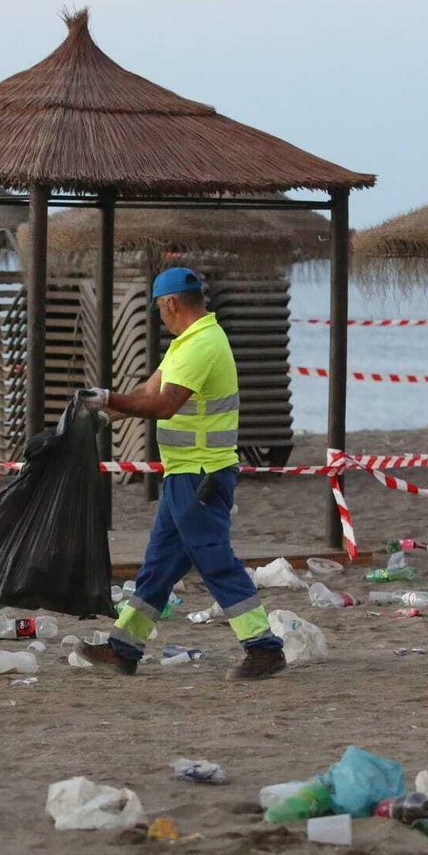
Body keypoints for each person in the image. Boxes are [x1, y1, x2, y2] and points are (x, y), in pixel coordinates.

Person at [76, 267, 286, 681]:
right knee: (158, 564)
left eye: (158, 307)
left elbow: (164, 405)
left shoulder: (201, 345)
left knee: (214, 560)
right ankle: (124, 649)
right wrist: (101, 415)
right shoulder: (187, 343)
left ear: (171, 302)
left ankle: (264, 648)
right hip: (184, 474)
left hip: (202, 475)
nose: (159, 315)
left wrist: (105, 398)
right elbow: (143, 394)